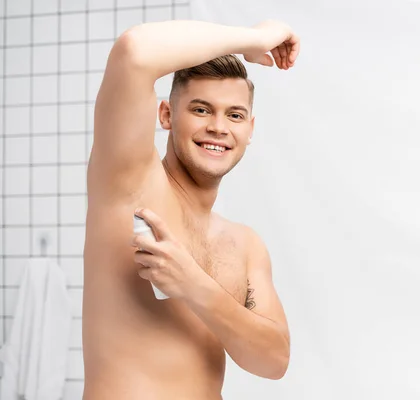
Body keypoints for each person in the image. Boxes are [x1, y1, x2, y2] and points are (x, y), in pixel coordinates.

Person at [82, 19, 300, 400]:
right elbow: (134, 52)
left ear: (249, 129)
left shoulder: (245, 245)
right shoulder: (131, 181)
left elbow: (274, 359)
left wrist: (194, 286)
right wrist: (253, 40)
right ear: (166, 115)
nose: (218, 127)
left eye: (233, 115)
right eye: (201, 110)